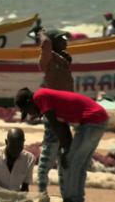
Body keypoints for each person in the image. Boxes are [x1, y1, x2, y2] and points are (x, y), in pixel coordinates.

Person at [15, 88, 109, 202]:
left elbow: (55, 126)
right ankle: (77, 198)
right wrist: (67, 149)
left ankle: (71, 199)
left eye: (28, 111)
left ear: (29, 102)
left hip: (92, 121)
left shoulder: (40, 96)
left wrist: (66, 151)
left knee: (71, 163)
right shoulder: (49, 102)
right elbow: (63, 127)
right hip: (96, 120)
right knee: (79, 164)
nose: (31, 115)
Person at [37, 29, 74, 194]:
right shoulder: (48, 59)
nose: (66, 40)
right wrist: (41, 32)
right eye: (61, 38)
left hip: (64, 114)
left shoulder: (62, 60)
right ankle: (42, 191)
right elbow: (44, 44)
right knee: (49, 152)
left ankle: (65, 192)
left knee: (63, 155)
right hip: (53, 114)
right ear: (53, 42)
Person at [0, 128, 35, 193]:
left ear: (23, 143)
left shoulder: (29, 159)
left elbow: (25, 187)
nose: (16, 150)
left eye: (19, 146)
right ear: (6, 142)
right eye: (13, 146)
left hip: (15, 196)